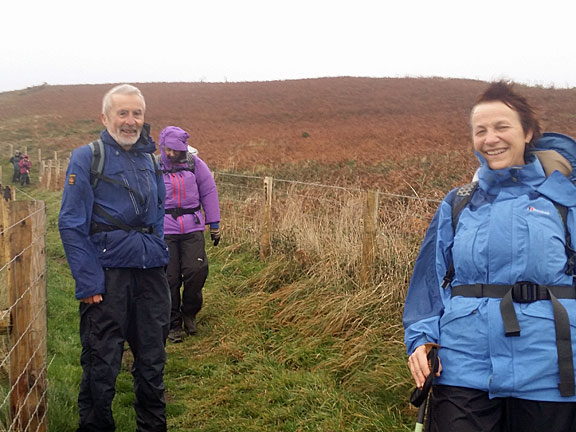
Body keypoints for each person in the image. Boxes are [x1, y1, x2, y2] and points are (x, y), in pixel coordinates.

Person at [403, 81, 576, 432]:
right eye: (480, 130)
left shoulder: (564, 202)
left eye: (501, 127)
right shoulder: (458, 203)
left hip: (551, 371)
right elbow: (429, 281)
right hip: (464, 365)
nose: (490, 138)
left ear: (527, 132)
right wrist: (420, 339)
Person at [58, 84, 171, 432]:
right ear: (105, 117)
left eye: (136, 113)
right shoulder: (87, 157)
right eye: (122, 113)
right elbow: (71, 223)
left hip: (151, 275)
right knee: (101, 365)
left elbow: (158, 212)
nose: (130, 121)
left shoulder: (150, 160)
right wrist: (89, 283)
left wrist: (159, 252)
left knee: (152, 364)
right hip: (107, 278)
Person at [158, 126, 221, 343]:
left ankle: (190, 312)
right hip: (165, 229)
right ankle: (172, 323)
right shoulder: (154, 167)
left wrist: (214, 224)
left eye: (176, 150)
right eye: (168, 149)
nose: (172, 154)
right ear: (162, 147)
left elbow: (209, 191)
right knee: (169, 278)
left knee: (196, 271)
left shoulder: (195, 164)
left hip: (192, 227)